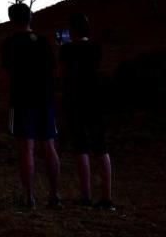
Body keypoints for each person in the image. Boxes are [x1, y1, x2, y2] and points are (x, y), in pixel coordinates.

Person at [1, 3, 62, 209]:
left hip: (21, 100)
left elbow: (6, 75)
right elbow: (55, 70)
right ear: (30, 17)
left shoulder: (9, 44)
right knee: (48, 145)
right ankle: (54, 195)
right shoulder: (43, 41)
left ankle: (29, 198)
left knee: (26, 148)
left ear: (12, 19)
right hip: (45, 99)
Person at [60, 12, 114, 210]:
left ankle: (86, 195)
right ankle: (107, 198)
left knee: (81, 147)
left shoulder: (67, 49)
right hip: (95, 100)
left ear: (72, 30)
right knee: (101, 147)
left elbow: (63, 73)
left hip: (76, 101)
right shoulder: (96, 47)